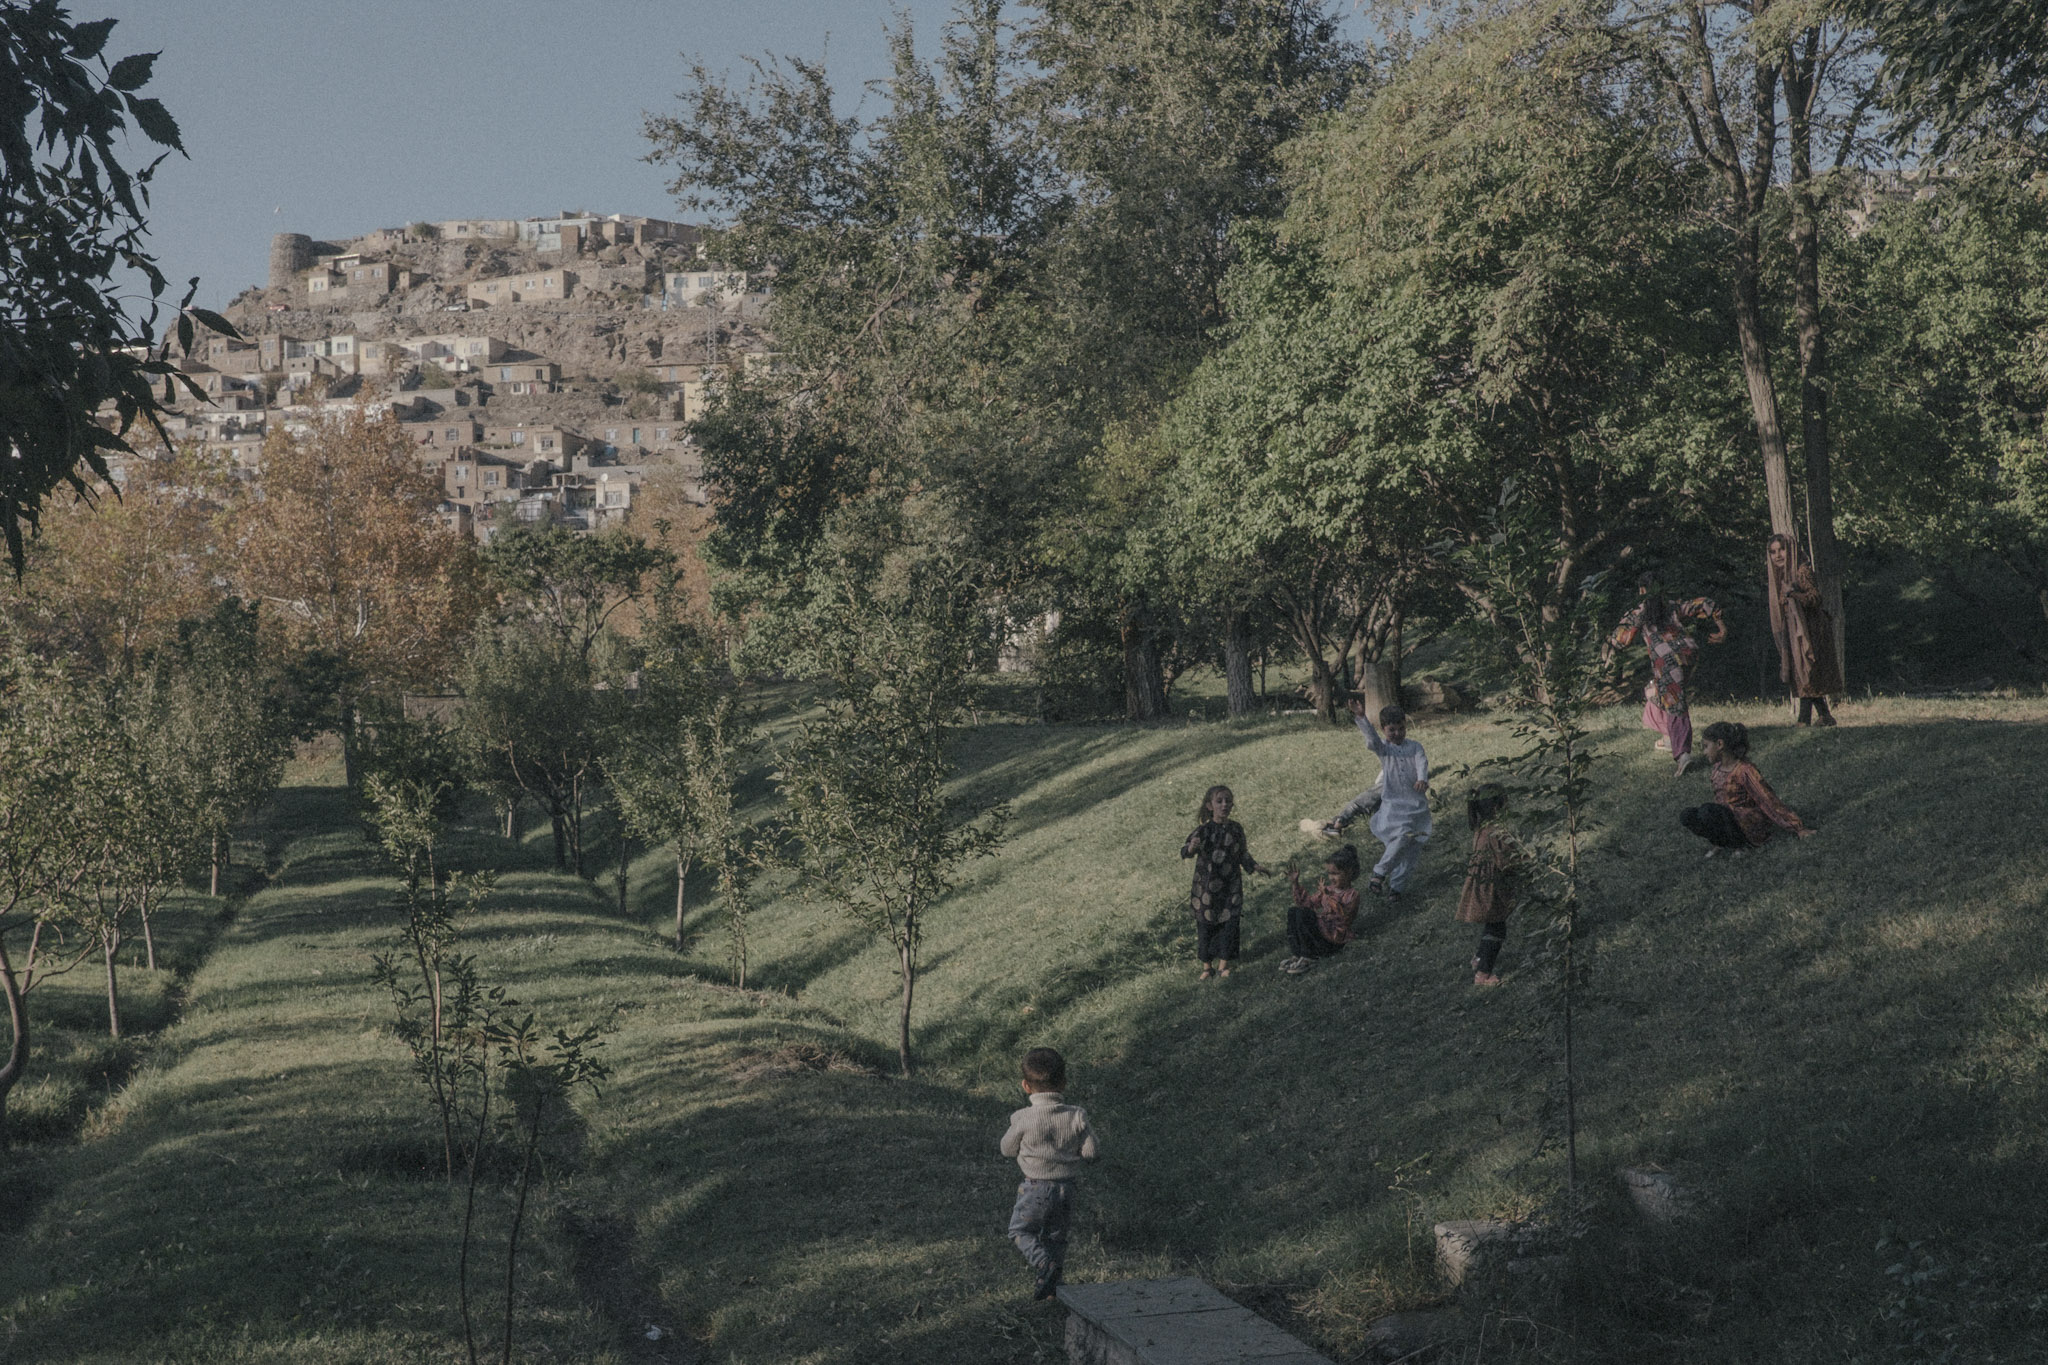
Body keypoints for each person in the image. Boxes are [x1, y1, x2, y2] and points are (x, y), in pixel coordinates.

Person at [999, 1047, 1099, 1301]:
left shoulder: (1022, 1118)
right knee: (1057, 1238)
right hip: (1066, 1189)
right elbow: (1091, 1151)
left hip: (1035, 1188)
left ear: (1025, 1086)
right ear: (1064, 1083)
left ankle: (1043, 1264)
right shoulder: (1076, 1115)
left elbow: (1007, 1149)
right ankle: (1053, 1289)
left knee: (1020, 1232)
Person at [1610, 573, 1728, 777]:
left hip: (1667, 662)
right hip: (1688, 653)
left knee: (1675, 704)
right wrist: (1721, 627)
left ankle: (1683, 756)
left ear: (1641, 591)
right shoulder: (1671, 606)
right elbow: (1703, 604)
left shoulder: (1638, 612)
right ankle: (1667, 738)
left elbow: (1622, 638)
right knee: (1652, 692)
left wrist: (1610, 644)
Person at [1679, 721, 1817, 857]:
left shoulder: (1745, 770)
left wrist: (1798, 828)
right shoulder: (1716, 769)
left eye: (1706, 746)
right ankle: (1721, 842)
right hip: (1727, 820)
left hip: (1747, 825)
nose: (1704, 752)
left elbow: (1768, 800)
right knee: (1688, 815)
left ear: (1720, 744)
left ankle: (1741, 845)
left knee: (1707, 810)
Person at [1181, 784, 1274, 979]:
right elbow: (1186, 852)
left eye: (1228, 801)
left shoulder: (1236, 829)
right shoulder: (1203, 830)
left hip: (1230, 885)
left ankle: (1224, 964)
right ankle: (1207, 967)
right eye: (1219, 801)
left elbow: (1242, 853)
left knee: (1229, 924)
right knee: (1206, 925)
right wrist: (1191, 848)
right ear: (1209, 806)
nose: (1224, 805)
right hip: (1206, 887)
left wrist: (1255, 867)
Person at [1343, 699, 1431, 898]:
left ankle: (1396, 889)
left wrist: (1422, 779)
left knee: (1411, 852)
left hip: (1416, 806)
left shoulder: (1415, 747)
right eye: (1392, 730)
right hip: (1394, 806)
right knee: (1401, 837)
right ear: (1384, 730)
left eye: (1401, 729)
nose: (1397, 734)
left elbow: (1422, 763)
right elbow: (1372, 740)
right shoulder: (1384, 749)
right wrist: (1361, 717)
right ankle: (1379, 873)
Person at [1766, 533, 1843, 726]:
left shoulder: (1802, 570)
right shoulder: (1780, 575)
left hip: (1812, 629)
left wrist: (1794, 594)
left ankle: (1804, 720)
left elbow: (1815, 598)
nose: (1778, 556)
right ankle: (1825, 715)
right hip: (1794, 631)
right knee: (1801, 673)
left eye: (1782, 550)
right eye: (1773, 552)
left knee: (1806, 671)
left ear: (1790, 550)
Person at [1457, 785, 1521, 987]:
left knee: (1492, 923)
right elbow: (1506, 862)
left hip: (1482, 886)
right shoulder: (1496, 833)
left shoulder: (1481, 829)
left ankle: (1478, 958)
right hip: (1491, 889)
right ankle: (1483, 974)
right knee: (1497, 927)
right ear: (1496, 808)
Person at [1280, 844, 1362, 975]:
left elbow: (1343, 916)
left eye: (1335, 873)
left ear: (1349, 872)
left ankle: (1309, 957)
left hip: (1333, 940)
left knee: (1305, 915)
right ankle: (1298, 953)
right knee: (1294, 911)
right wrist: (1295, 883)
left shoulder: (1352, 895)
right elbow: (1307, 904)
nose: (1331, 878)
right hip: (1322, 933)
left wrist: (1328, 896)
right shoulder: (1328, 889)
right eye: (1329, 873)